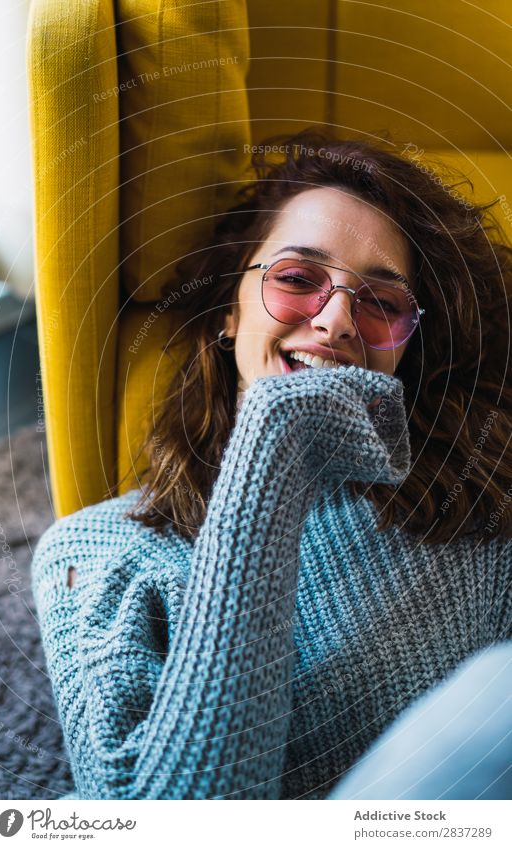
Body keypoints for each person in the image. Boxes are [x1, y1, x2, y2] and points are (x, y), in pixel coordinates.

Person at [32, 128, 512, 800]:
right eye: (296, 278)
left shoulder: (479, 492)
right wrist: (274, 442)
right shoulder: (102, 551)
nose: (338, 319)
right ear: (230, 309)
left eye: (381, 302)